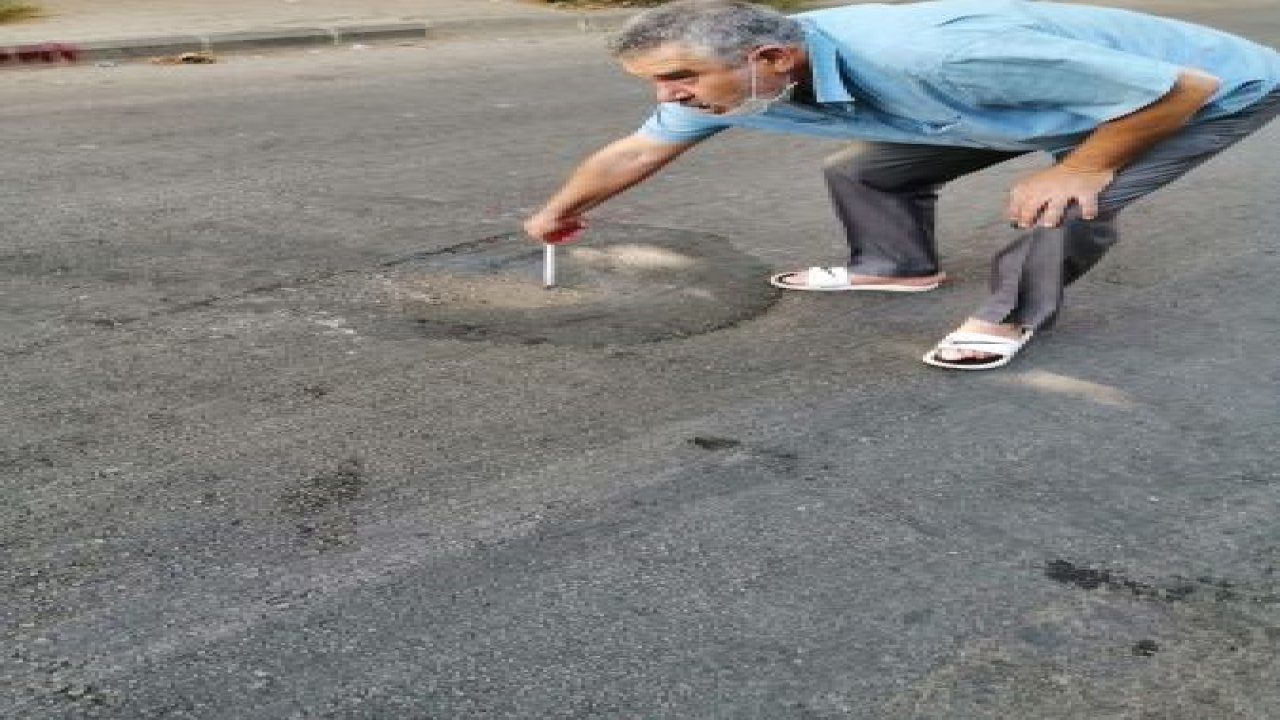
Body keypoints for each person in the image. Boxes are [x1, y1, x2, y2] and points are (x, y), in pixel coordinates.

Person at [523, 0, 1280, 369]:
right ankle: (896, 266)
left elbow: (1178, 87)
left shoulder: (938, 58)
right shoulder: (738, 85)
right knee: (863, 166)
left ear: (773, 58)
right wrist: (561, 210)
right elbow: (635, 151)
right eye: (655, 81)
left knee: (1061, 199)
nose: (667, 95)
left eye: (677, 77)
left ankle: (1007, 317)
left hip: (1207, 91)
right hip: (1031, 103)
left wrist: (1081, 162)